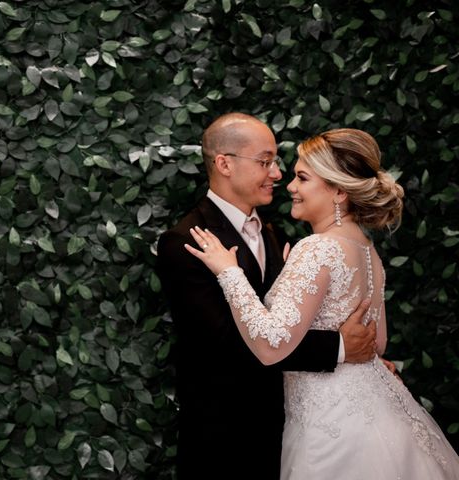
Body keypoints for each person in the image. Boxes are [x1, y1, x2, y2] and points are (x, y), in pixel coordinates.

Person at [185, 127, 459, 479]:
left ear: (339, 191)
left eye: (302, 178)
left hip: (330, 427)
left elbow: (270, 346)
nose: (291, 187)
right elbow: (376, 343)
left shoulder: (318, 248)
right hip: (374, 410)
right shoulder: (366, 249)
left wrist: (229, 272)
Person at [156, 113, 377, 479]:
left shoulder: (273, 234)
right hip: (224, 436)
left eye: (276, 162)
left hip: (288, 425)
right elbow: (227, 343)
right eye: (265, 161)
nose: (277, 174)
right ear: (225, 163)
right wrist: (340, 349)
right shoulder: (186, 242)